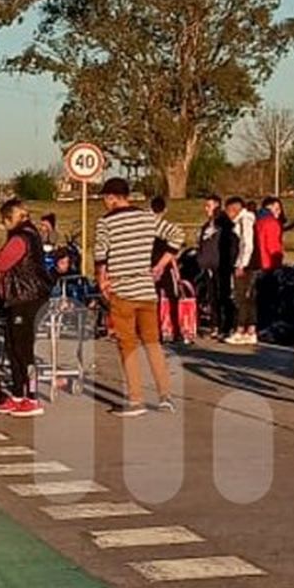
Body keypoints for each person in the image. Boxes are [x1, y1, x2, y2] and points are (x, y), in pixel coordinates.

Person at [94, 177, 174, 416]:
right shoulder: (147, 217)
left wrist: (102, 280)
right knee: (152, 342)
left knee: (127, 344)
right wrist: (161, 264)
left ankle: (136, 399)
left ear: (111, 197)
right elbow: (176, 234)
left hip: (122, 290)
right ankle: (165, 396)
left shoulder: (105, 222)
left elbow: (100, 255)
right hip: (147, 290)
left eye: (105, 198)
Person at [0, 198, 53, 416]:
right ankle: (17, 394)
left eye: (4, 221)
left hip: (25, 297)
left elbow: (1, 263)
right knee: (12, 345)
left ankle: (32, 396)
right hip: (24, 297)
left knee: (23, 349)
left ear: (9, 219)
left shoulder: (20, 238)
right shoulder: (33, 234)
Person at [196, 194, 234, 338]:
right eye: (206, 206)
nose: (206, 209)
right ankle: (215, 324)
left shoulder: (224, 225)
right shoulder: (206, 226)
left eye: (209, 206)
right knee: (212, 297)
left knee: (223, 296)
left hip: (220, 265)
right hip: (207, 265)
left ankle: (227, 326)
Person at [151, 196, 187, 344]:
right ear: (164, 210)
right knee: (172, 298)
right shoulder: (167, 227)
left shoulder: (145, 226)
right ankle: (176, 331)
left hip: (148, 264)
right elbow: (173, 248)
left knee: (154, 301)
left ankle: (156, 332)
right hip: (165, 265)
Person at [228, 196, 262, 345]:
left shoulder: (245, 220)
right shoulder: (248, 219)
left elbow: (247, 244)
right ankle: (250, 330)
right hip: (250, 264)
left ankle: (241, 329)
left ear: (234, 209)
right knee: (249, 298)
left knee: (242, 298)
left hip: (247, 265)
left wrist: (241, 264)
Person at [252, 196, 286, 335]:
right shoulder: (271, 223)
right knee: (269, 299)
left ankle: (258, 325)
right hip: (269, 264)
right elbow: (273, 247)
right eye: (277, 208)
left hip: (257, 262)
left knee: (259, 298)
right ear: (269, 207)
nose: (279, 212)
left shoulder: (257, 221)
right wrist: (278, 264)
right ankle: (266, 326)